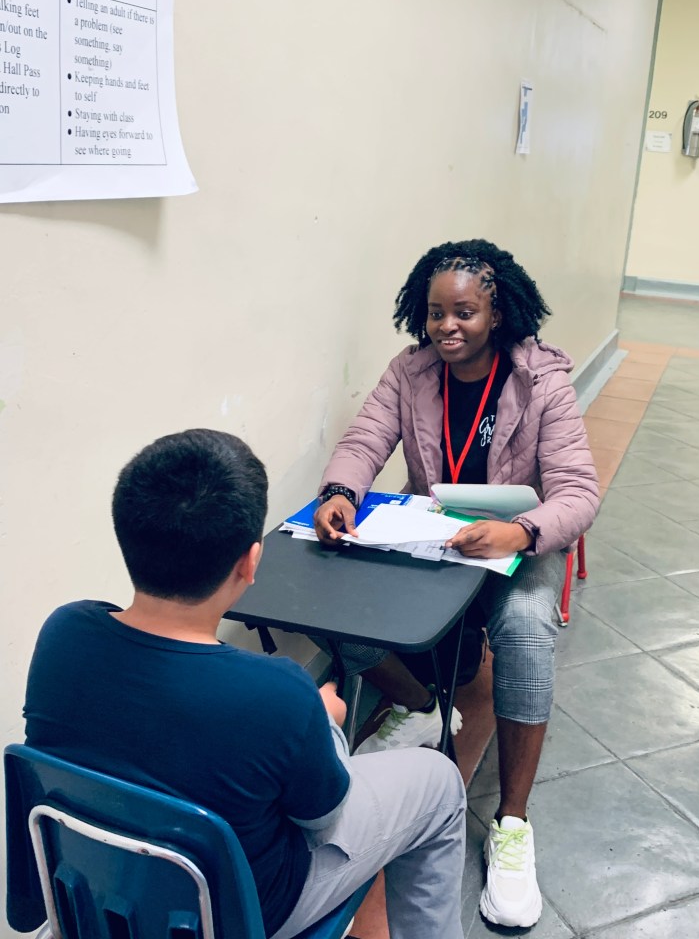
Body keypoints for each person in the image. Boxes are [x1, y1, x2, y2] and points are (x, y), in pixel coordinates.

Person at [24, 428, 467, 939]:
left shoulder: (63, 633)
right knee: (439, 783)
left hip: (93, 884)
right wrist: (323, 725)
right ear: (250, 562)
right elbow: (323, 818)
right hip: (242, 910)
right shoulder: (278, 693)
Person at [314, 239, 599, 929]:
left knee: (525, 629)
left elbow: (578, 492)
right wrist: (339, 491)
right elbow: (364, 441)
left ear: (497, 313)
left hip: (518, 542)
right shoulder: (410, 372)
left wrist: (520, 532)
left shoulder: (542, 381)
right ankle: (421, 707)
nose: (447, 327)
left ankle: (512, 823)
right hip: (437, 535)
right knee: (329, 596)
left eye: (464, 313)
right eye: (435, 312)